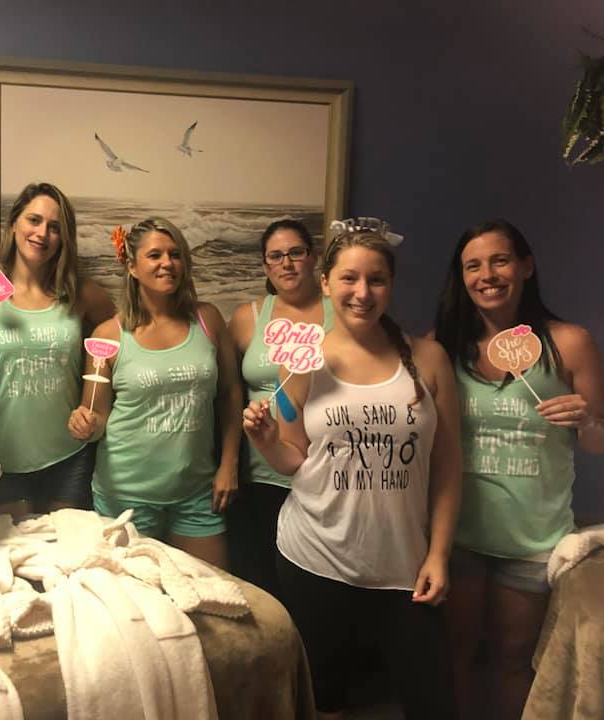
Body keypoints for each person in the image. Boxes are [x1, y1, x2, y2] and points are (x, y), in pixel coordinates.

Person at [244, 218, 460, 719]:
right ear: (325, 283)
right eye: (348, 278)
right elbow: (294, 459)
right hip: (314, 558)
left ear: (391, 284)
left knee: (432, 701)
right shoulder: (302, 361)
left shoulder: (430, 359)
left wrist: (439, 554)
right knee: (327, 698)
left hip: (405, 568)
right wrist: (268, 442)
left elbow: (449, 468)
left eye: (376, 279)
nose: (362, 293)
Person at [433, 219, 604, 720]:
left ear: (526, 266)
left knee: (513, 660)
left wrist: (586, 419)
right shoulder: (442, 347)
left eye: (500, 260)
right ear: (462, 277)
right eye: (473, 265)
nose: (487, 275)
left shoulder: (570, 342)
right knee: (455, 656)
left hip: (533, 540)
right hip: (458, 535)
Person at [67, 218, 241, 568]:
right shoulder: (108, 335)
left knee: (212, 591)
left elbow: (230, 393)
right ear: (132, 267)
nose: (167, 263)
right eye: (155, 255)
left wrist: (229, 463)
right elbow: (97, 416)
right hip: (125, 494)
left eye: (175, 254)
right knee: (132, 598)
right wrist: (84, 423)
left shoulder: (207, 320)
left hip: (196, 491)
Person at [0, 183, 114, 519]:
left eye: (54, 227)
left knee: (65, 549)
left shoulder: (82, 294)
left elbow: (114, 343)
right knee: (8, 551)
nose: (42, 233)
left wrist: (93, 410)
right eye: (34, 220)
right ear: (14, 223)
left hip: (67, 457)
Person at [228, 218, 333, 596]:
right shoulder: (248, 318)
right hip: (258, 474)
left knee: (310, 586)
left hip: (322, 473)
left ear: (314, 257)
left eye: (295, 253)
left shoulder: (342, 313)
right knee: (261, 583)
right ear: (264, 266)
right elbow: (228, 394)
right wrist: (227, 464)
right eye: (275, 256)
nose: (286, 263)